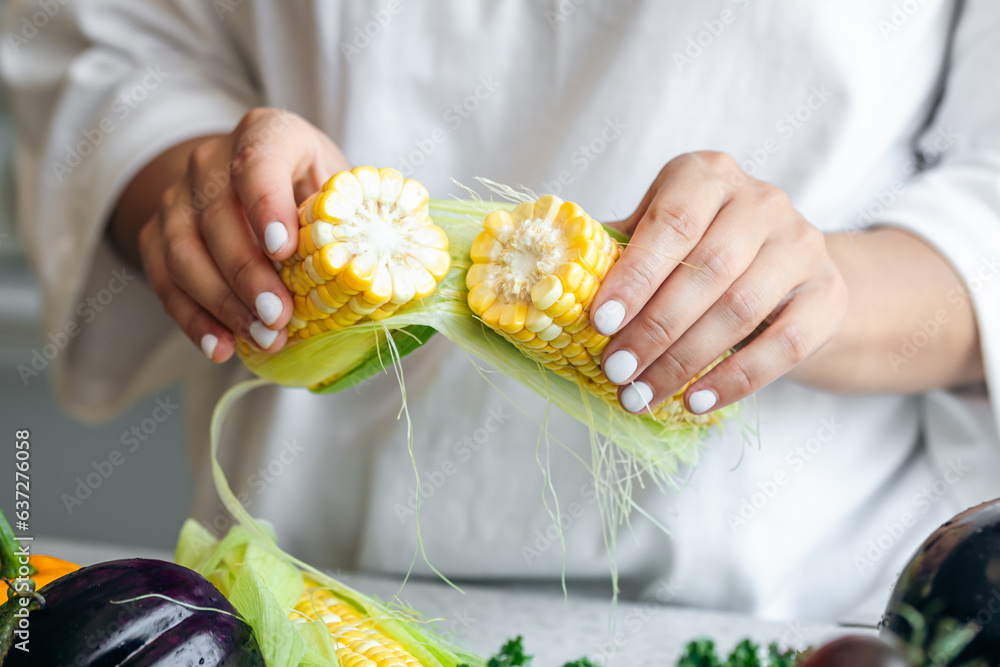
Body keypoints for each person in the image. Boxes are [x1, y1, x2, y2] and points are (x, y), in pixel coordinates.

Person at [2, 0, 998, 626]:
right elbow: (107, 36)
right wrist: (189, 175)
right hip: (302, 564)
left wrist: (816, 287)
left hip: (783, 595)